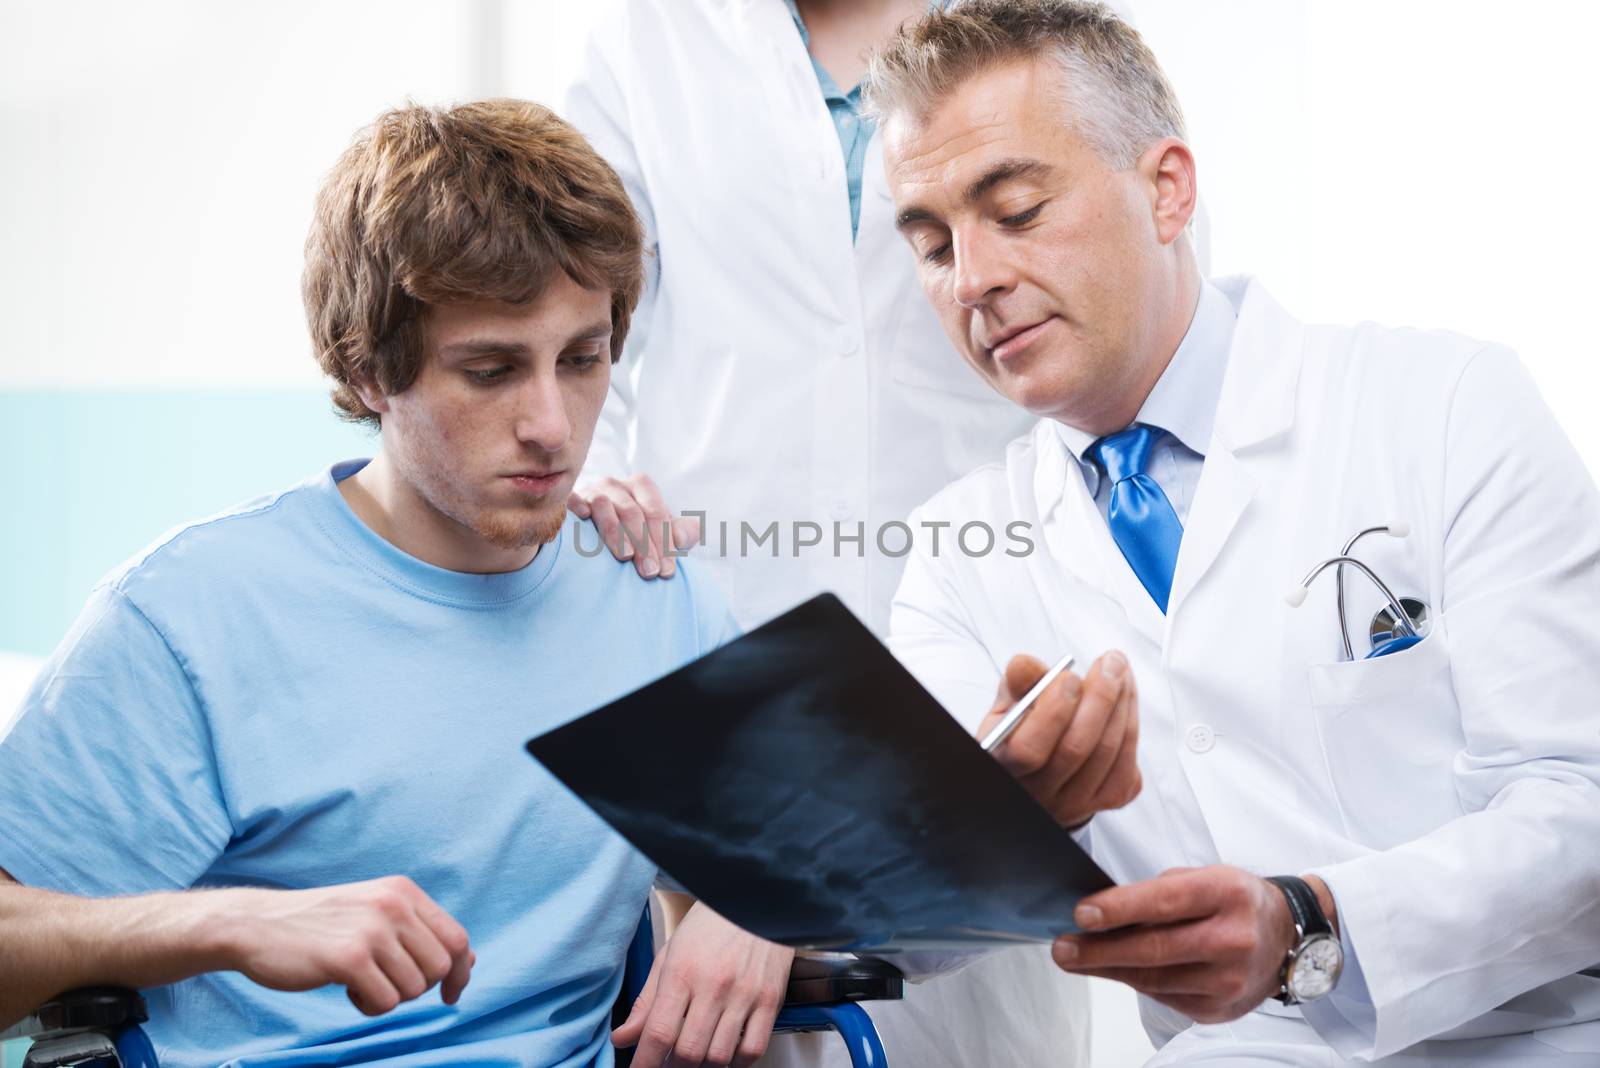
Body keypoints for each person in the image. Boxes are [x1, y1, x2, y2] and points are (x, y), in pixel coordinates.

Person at [868, 1, 1600, 1064]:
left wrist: (1311, 922)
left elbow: (1581, 799)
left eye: (1015, 210)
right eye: (931, 245)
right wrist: (991, 830)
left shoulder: (1441, 405)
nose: (971, 279)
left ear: (1166, 189)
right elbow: (907, 925)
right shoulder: (955, 555)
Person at [0, 99, 792, 1068]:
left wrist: (762, 906)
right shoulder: (190, 621)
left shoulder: (652, 596)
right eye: (492, 370)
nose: (552, 423)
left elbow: (827, 838)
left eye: (582, 360)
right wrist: (229, 924)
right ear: (369, 368)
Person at [561, 2, 1099, 1065]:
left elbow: (1120, 327)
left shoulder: (1045, 30)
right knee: (730, 1025)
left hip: (979, 652)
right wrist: (583, 492)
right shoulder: (648, 43)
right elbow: (567, 314)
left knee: (974, 1024)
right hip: (724, 674)